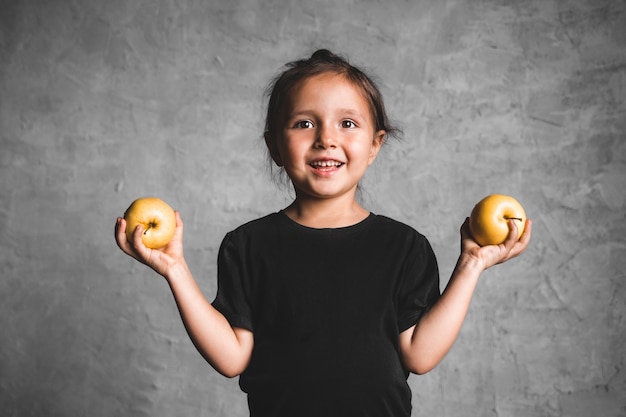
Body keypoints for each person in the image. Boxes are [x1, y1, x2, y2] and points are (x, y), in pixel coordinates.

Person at [115, 49, 532, 416]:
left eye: (348, 123)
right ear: (274, 147)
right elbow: (231, 358)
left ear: (375, 144)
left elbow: (419, 355)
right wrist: (175, 270)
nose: (326, 139)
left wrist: (472, 264)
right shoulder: (248, 245)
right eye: (303, 124)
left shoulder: (405, 247)